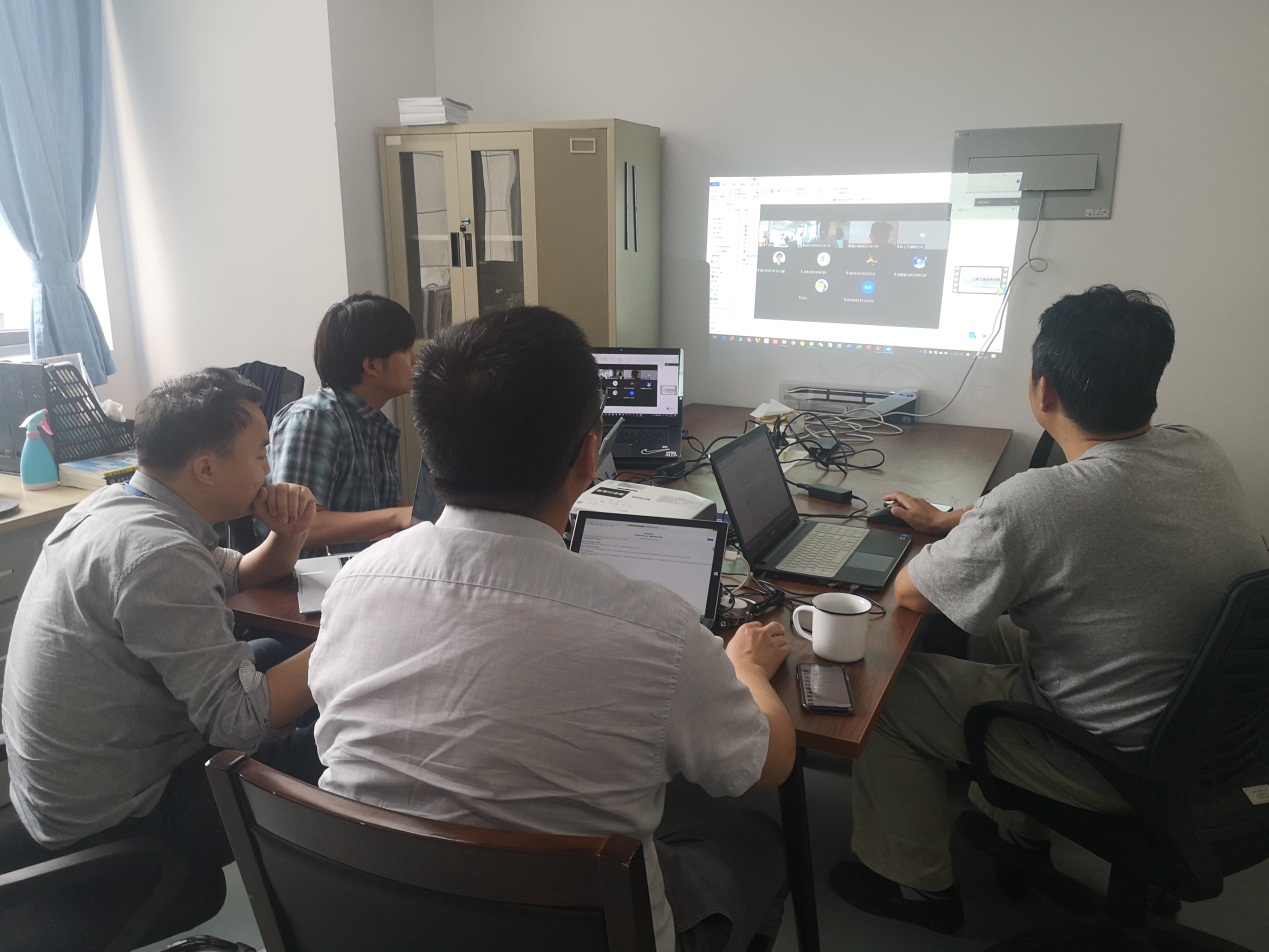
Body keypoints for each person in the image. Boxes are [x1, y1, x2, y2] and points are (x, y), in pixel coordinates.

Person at [309, 306, 797, 952]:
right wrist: (746, 668)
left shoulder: (356, 583)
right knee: (755, 838)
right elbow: (769, 763)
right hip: (593, 924)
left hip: (371, 918)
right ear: (590, 456)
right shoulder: (659, 629)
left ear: (431, 447)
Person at [830, 285, 1269, 934]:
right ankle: (1016, 829)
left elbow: (914, 595)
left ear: (1043, 392)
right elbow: (1050, 521)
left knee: (886, 695)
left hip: (1111, 760)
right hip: (1209, 727)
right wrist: (957, 520)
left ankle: (915, 886)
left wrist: (960, 531)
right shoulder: (1195, 448)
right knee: (996, 632)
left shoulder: (1040, 501)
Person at [2, 368, 322, 892]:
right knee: (335, 735)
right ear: (206, 468)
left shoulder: (118, 505)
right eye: (261, 453)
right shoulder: (158, 553)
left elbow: (232, 572)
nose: (269, 467)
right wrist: (352, 630)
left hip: (71, 790)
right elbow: (241, 723)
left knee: (275, 647)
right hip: (118, 822)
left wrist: (289, 534)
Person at [267, 292, 417, 557]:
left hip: (367, 565)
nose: (415, 359)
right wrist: (398, 516)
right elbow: (296, 527)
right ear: (372, 366)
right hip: (314, 576)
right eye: (405, 350)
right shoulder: (315, 419)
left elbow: (392, 522)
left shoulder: (375, 424)